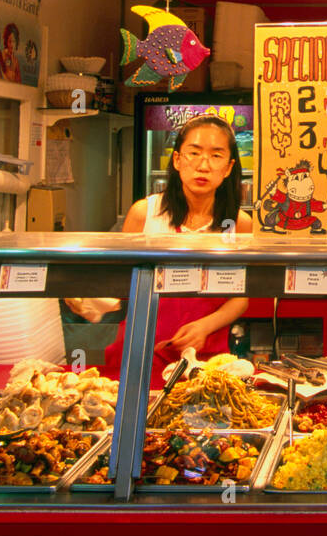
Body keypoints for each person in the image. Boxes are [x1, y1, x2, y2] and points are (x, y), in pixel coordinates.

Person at [66, 115, 252, 371]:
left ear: (229, 167)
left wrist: (204, 326)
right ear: (177, 159)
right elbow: (122, 284)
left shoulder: (239, 223)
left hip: (205, 351)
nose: (203, 165)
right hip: (142, 349)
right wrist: (89, 295)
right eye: (194, 153)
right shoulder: (145, 213)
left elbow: (240, 297)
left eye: (216, 156)